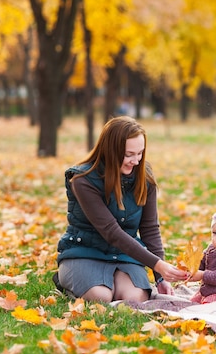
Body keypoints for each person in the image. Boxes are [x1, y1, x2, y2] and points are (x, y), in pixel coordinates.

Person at [53, 116, 188, 303]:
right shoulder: (83, 180)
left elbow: (149, 228)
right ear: (110, 151)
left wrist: (161, 278)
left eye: (140, 153)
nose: (136, 161)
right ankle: (66, 281)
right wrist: (158, 265)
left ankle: (114, 283)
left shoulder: (144, 176)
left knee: (135, 299)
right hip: (84, 251)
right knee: (100, 297)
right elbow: (111, 232)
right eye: (129, 154)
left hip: (124, 255)